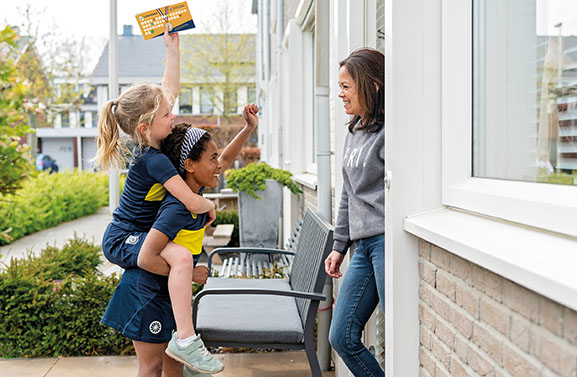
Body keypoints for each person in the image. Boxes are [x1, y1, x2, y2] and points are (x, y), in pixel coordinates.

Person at [94, 25, 216, 373]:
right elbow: (192, 202)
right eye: (166, 115)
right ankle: (187, 338)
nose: (173, 116)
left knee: (177, 258)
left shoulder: (155, 142)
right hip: (122, 237)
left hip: (136, 233)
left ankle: (184, 338)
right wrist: (209, 207)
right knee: (178, 255)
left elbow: (169, 92)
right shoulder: (154, 159)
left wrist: (172, 49)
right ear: (146, 128)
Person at [102, 111, 258, 377]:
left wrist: (248, 128)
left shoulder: (195, 191)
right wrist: (193, 273)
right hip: (146, 292)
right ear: (189, 165)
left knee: (175, 369)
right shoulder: (178, 207)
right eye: (211, 159)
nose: (219, 165)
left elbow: (226, 158)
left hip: (170, 295)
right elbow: (147, 257)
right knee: (152, 368)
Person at [325, 48, 384, 377]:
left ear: (372, 85)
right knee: (342, 336)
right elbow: (347, 191)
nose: (340, 93)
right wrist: (339, 245)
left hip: (387, 241)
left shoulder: (390, 132)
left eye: (346, 86)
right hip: (362, 246)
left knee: (397, 330)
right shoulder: (355, 131)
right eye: (339, 86)